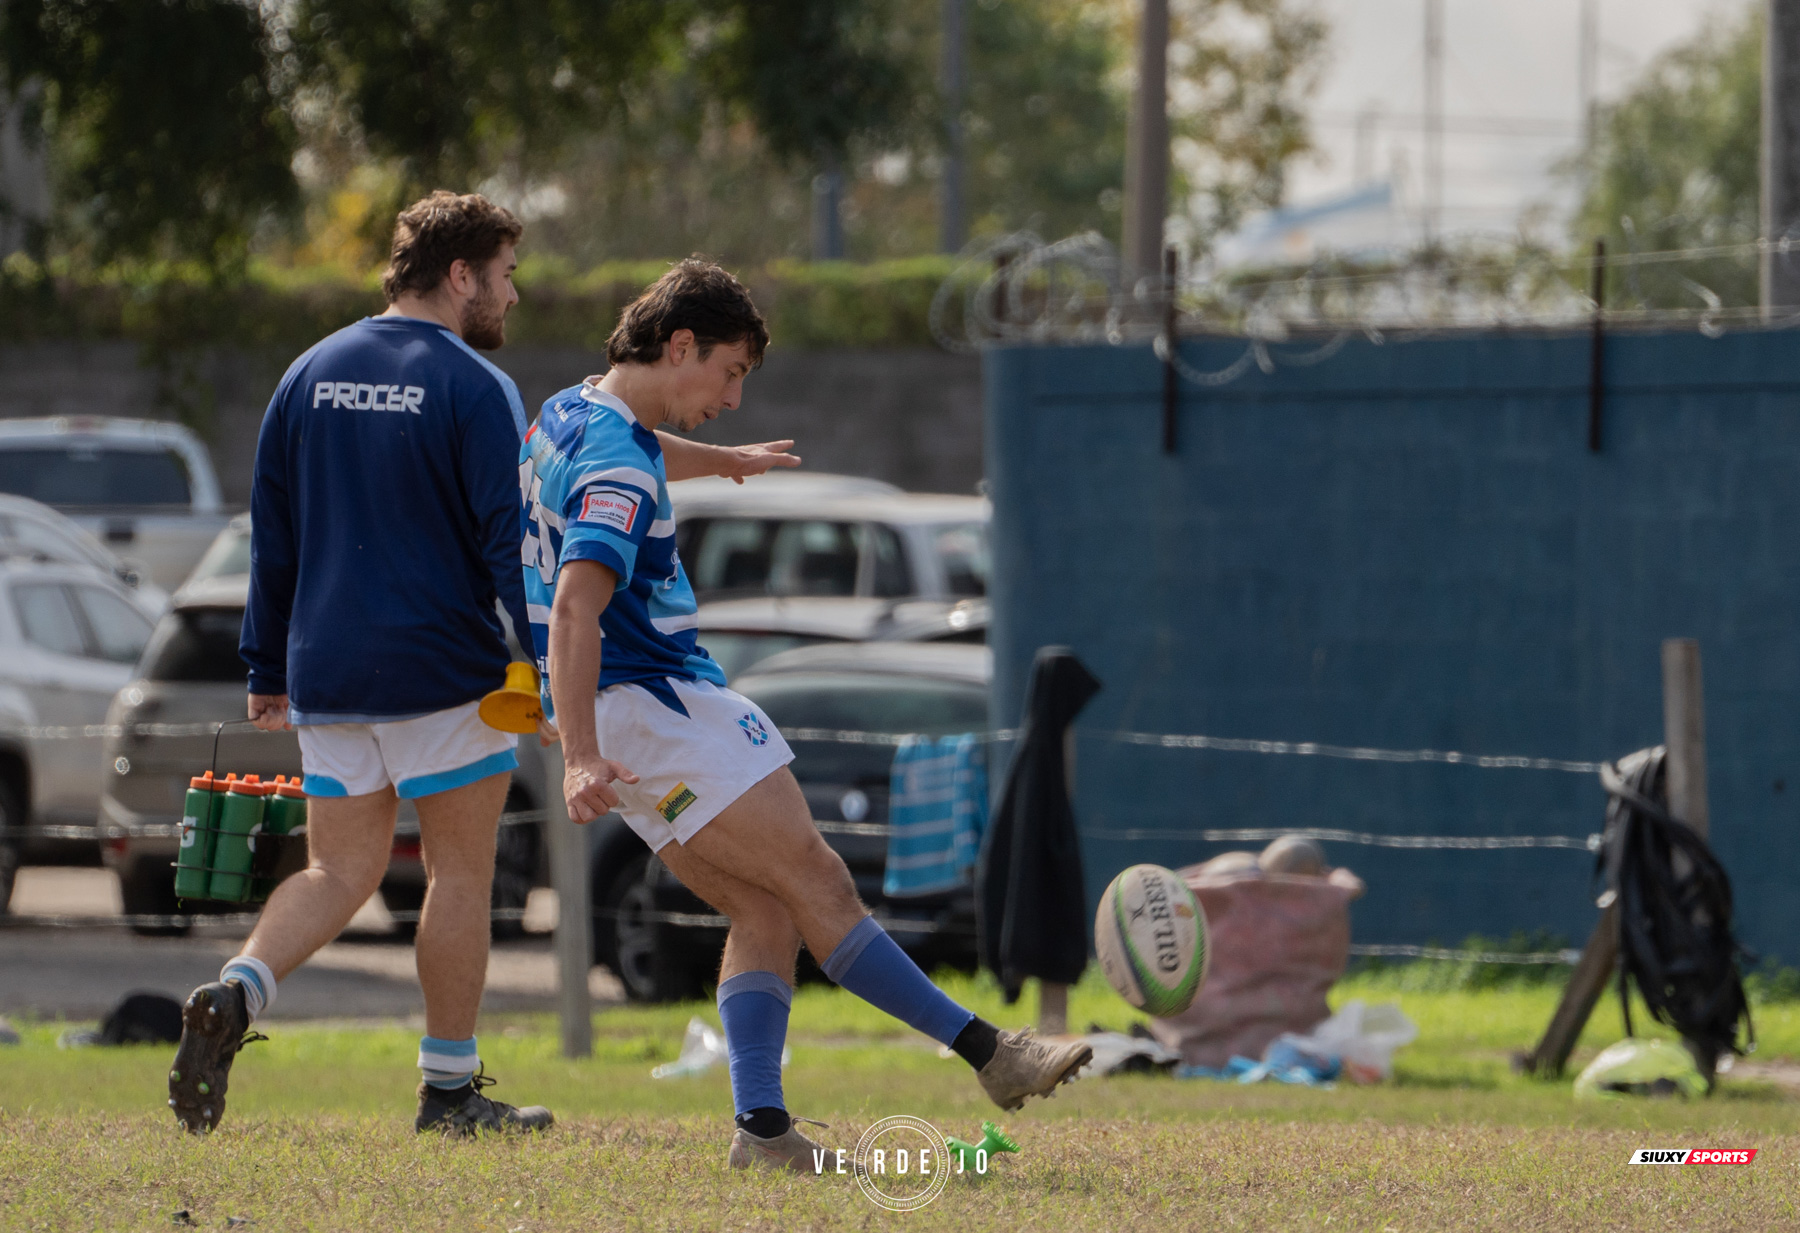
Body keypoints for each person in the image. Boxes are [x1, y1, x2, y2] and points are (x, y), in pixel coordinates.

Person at [522, 259, 1093, 1172]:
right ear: (680, 345)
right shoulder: (620, 469)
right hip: (658, 704)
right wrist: (582, 756)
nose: (735, 397)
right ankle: (995, 1053)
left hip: (626, 716)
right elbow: (576, 609)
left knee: (765, 907)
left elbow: (627, 453)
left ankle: (764, 1132)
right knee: (821, 882)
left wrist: (717, 463)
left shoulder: (569, 413)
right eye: (732, 372)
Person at [168, 192, 554, 1138]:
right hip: (444, 671)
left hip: (326, 669)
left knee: (338, 869)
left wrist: (266, 664)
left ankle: (238, 990)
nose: (511, 294)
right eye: (504, 275)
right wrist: (547, 667)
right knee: (460, 875)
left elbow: (274, 534)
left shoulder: (307, 372)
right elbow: (514, 548)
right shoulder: (475, 385)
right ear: (459, 275)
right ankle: (451, 1093)